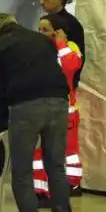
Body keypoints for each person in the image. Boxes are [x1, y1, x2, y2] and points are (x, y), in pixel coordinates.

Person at [0, 13, 73, 212]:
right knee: (56, 166)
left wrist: (3, 122)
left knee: (22, 169)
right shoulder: (42, 39)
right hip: (59, 102)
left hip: (25, 106)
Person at [34, 14, 84, 197]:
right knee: (38, 153)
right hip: (41, 108)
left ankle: (73, 184)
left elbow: (70, 66)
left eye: (46, 30)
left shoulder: (71, 48)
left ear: (59, 32)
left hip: (67, 112)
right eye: (39, 29)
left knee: (70, 152)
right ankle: (40, 189)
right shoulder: (38, 49)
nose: (41, 33)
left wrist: (61, 43)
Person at [41, 0, 85, 87]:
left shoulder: (71, 23)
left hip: (62, 82)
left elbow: (78, 56)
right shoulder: (45, 19)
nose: (42, 2)